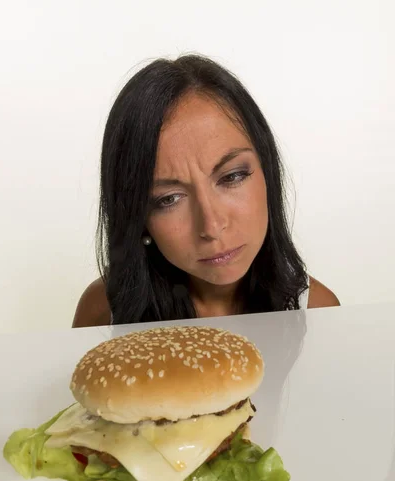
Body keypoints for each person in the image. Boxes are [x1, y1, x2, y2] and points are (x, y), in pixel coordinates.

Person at [73, 54, 339, 328]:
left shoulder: (319, 313)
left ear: (267, 171)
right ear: (138, 219)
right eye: (169, 199)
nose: (211, 226)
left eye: (232, 177)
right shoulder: (102, 314)